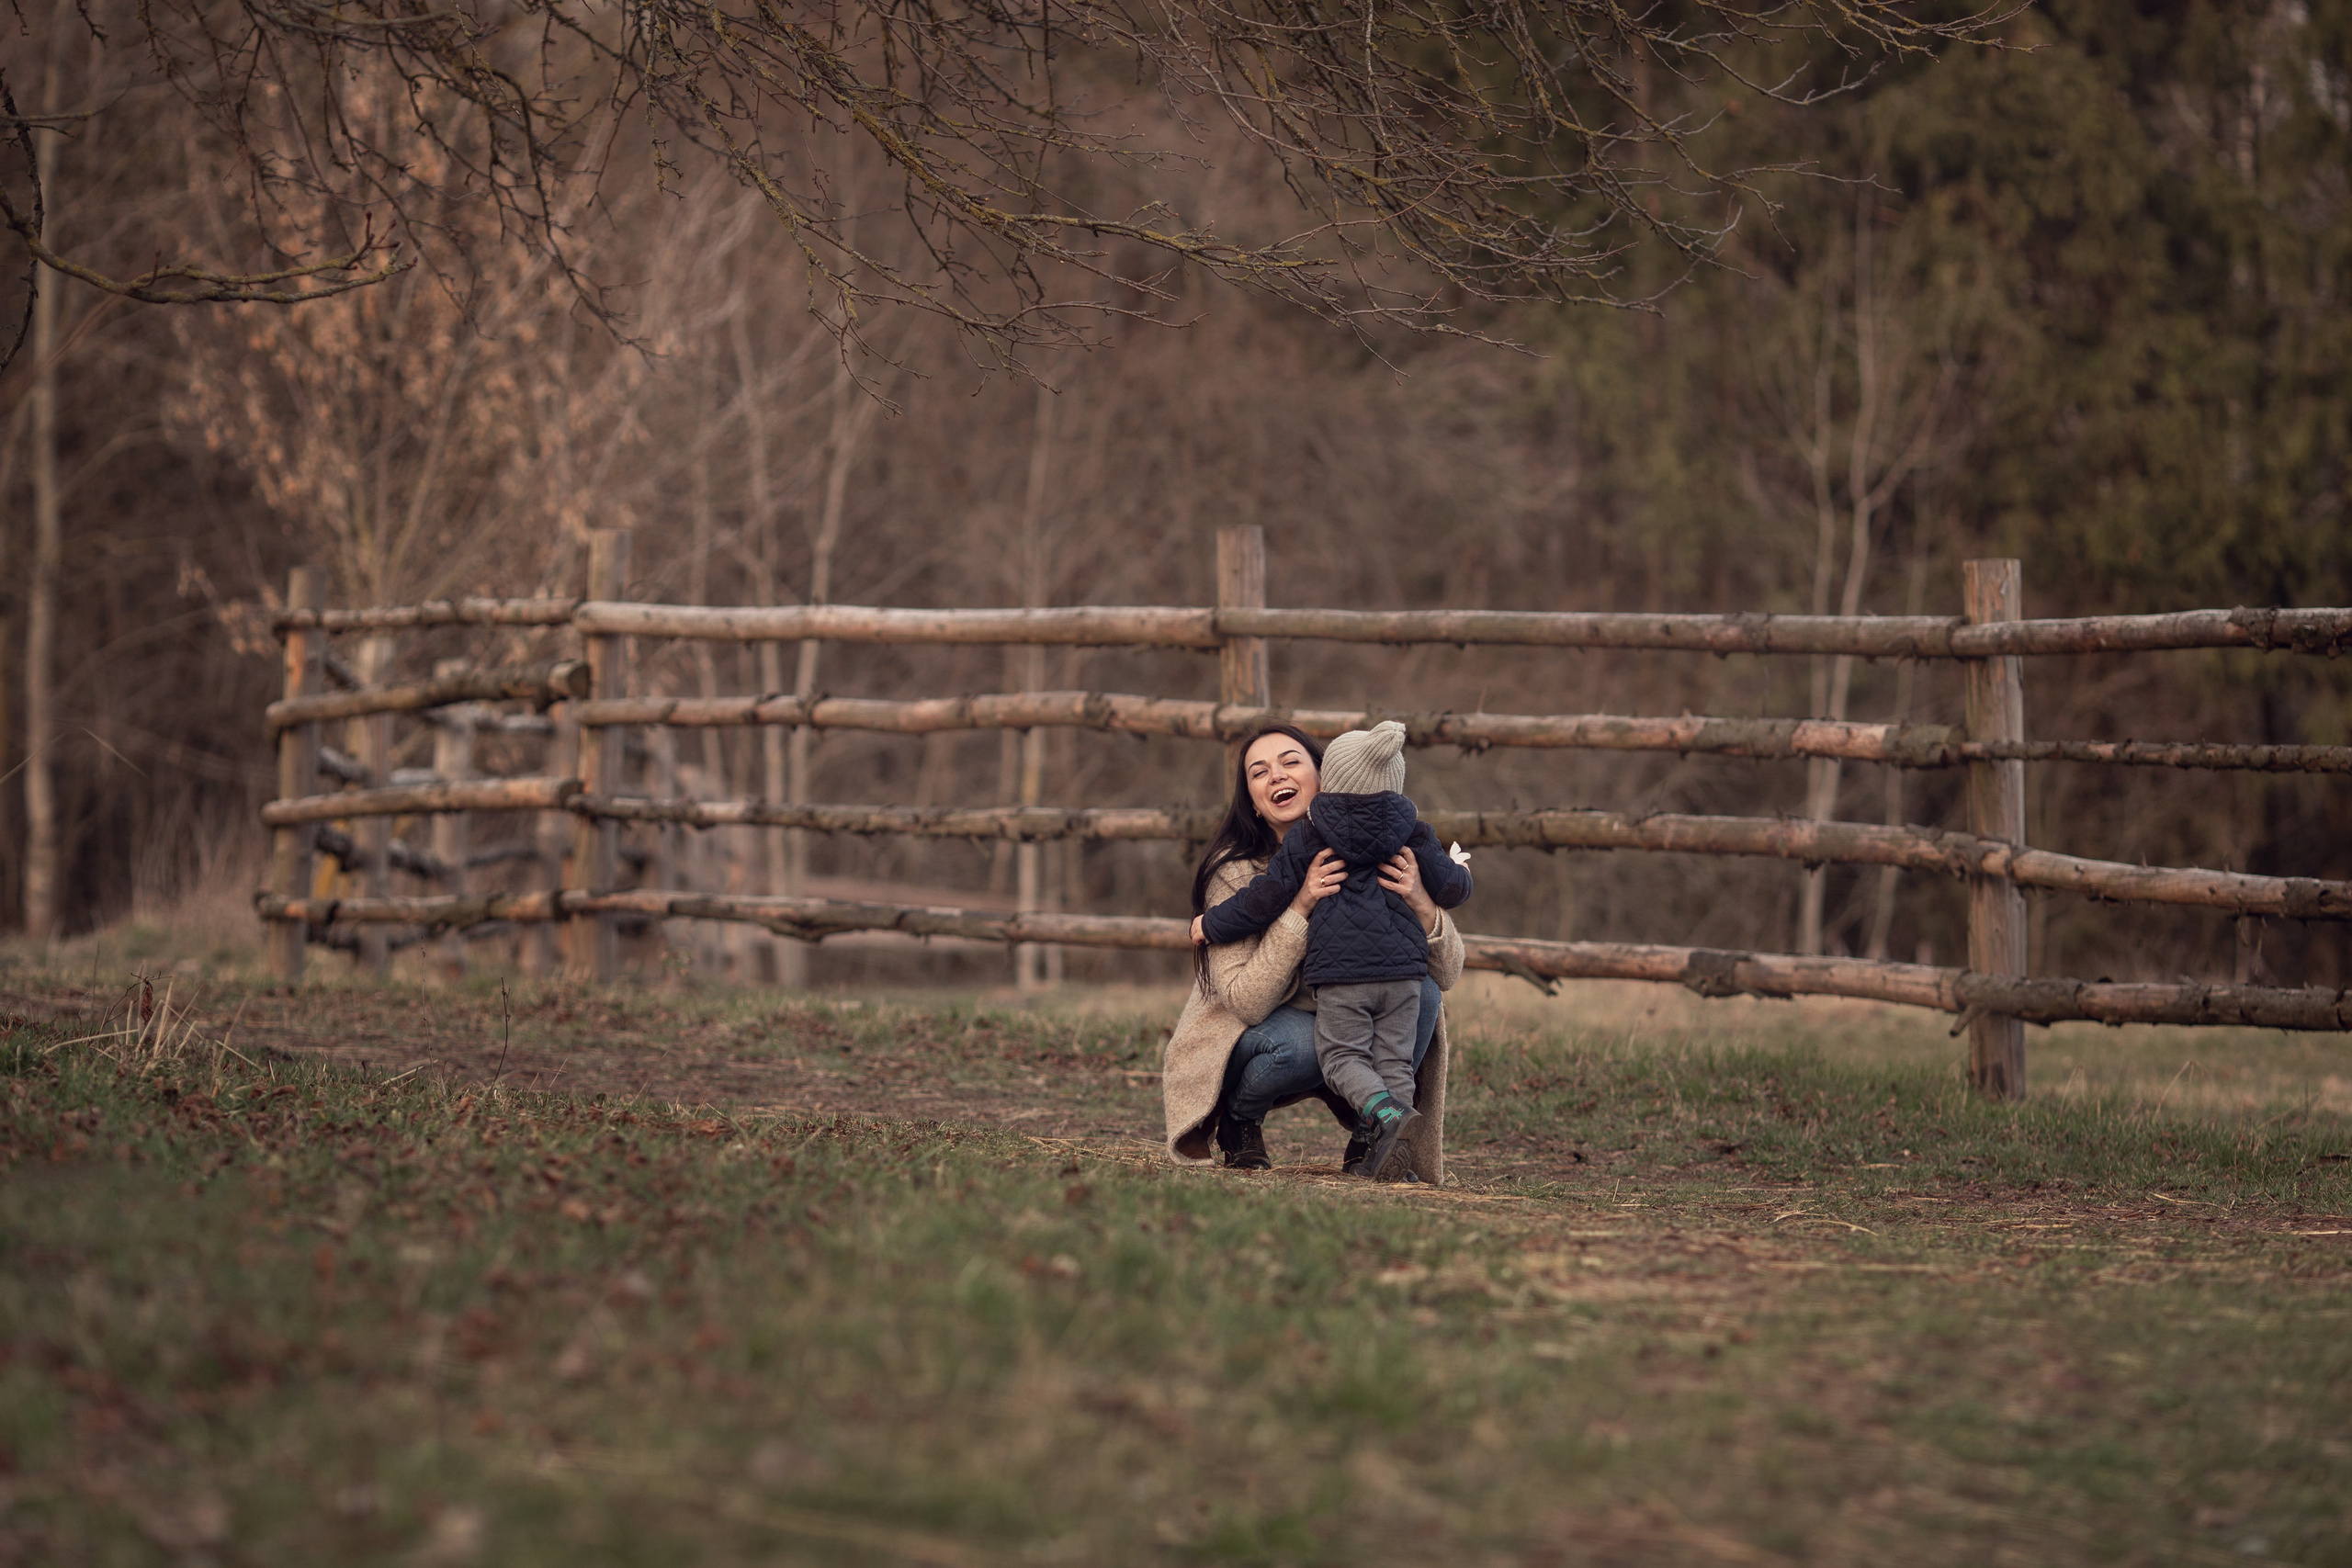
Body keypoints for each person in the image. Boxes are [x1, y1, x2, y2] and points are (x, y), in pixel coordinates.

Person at [1160, 724, 1467, 1181]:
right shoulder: (1237, 873)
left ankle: (1380, 1132)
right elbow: (1247, 1001)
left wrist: (1421, 898)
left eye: (1290, 761)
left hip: (1347, 1005)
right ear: (1253, 802)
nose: (1276, 777)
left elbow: (1447, 973)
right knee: (1310, 1044)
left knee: (1420, 991)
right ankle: (1239, 1120)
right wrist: (1301, 905)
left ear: (1326, 777)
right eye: (1258, 772)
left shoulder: (1385, 842)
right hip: (1257, 1025)